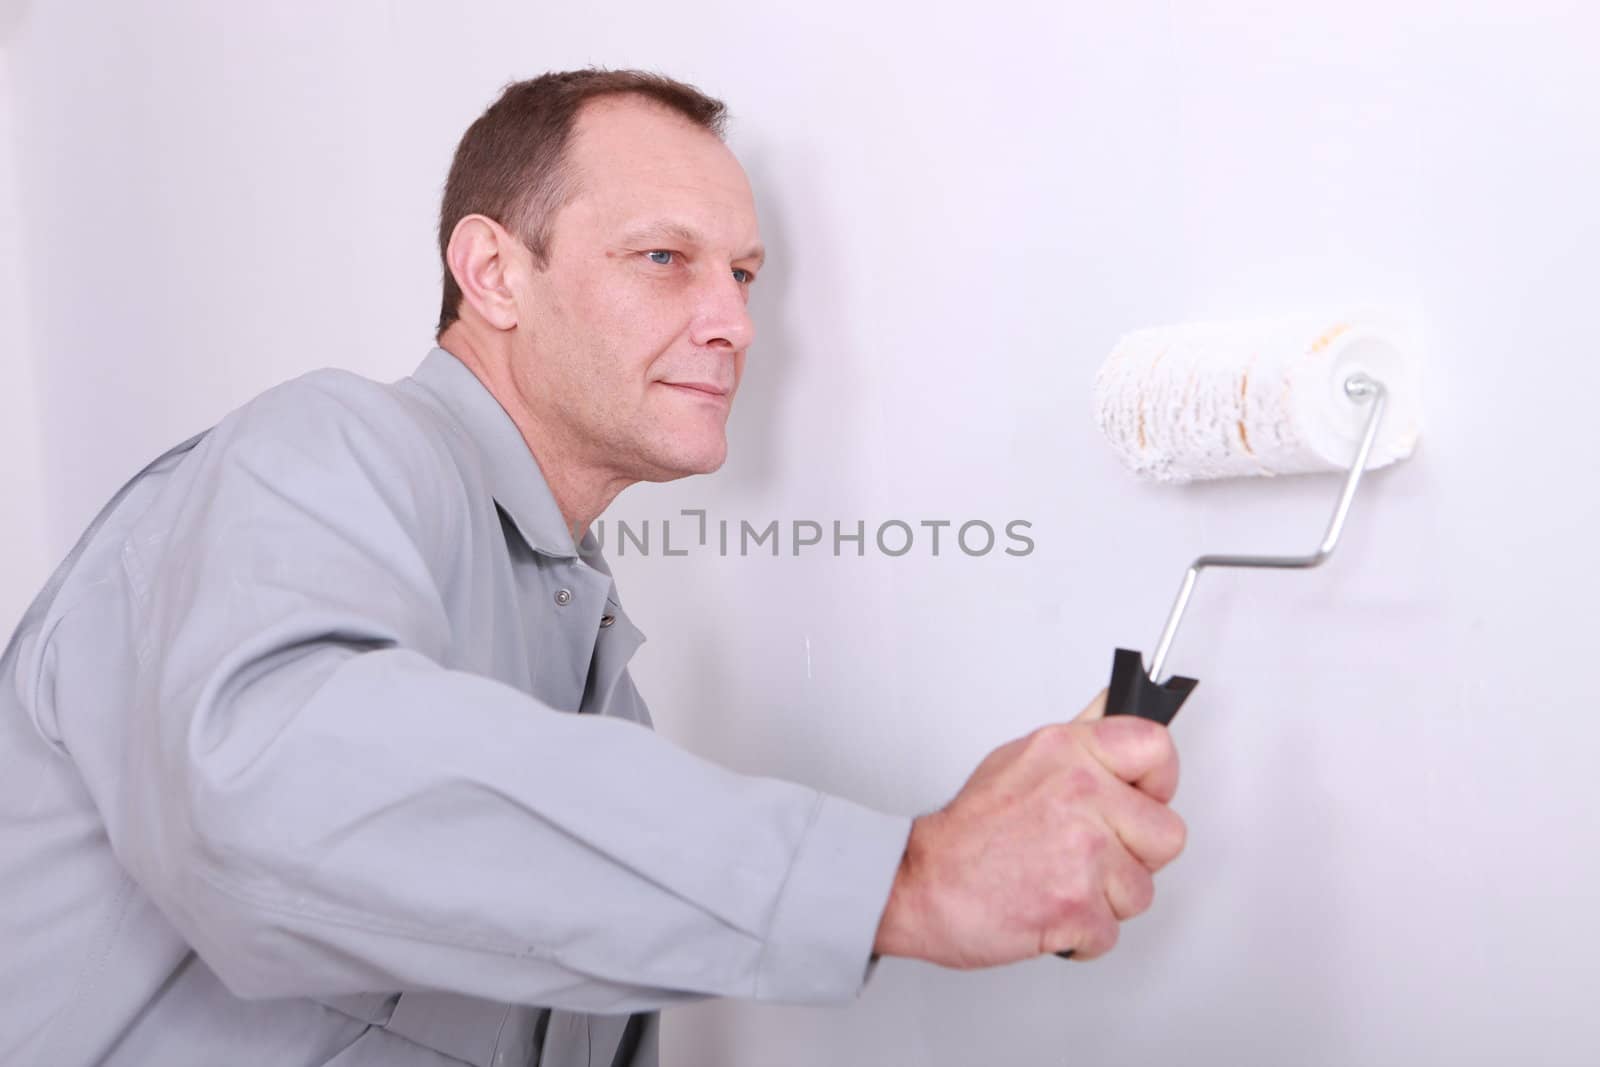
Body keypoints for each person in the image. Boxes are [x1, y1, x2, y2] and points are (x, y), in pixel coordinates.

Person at [0, 69, 1186, 1067]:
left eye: (744, 273)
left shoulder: (595, 686)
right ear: (494, 273)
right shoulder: (326, 447)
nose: (733, 321)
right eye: (665, 257)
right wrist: (908, 876)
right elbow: (267, 785)